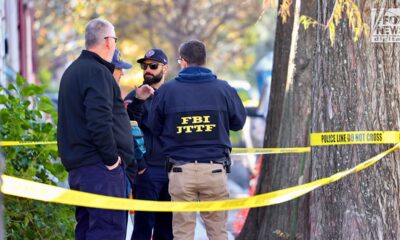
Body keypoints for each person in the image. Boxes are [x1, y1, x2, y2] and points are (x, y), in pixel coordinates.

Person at [149, 40, 246, 240]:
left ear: (183, 62)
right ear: (204, 60)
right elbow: (238, 122)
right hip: (214, 170)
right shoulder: (223, 89)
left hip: (180, 172)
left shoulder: (167, 91)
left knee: (182, 233)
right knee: (218, 232)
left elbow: (153, 126)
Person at [57, 18, 135, 240]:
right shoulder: (98, 72)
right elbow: (98, 121)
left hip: (81, 169)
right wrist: (112, 160)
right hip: (101, 170)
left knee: (86, 231)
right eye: (115, 39)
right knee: (107, 232)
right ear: (109, 41)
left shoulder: (72, 71)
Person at [124, 48, 173, 240]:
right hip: (146, 173)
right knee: (142, 229)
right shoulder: (133, 97)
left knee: (167, 230)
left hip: (171, 171)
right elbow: (125, 130)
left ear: (165, 68)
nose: (148, 70)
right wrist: (140, 165)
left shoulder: (173, 95)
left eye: (153, 66)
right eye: (145, 66)